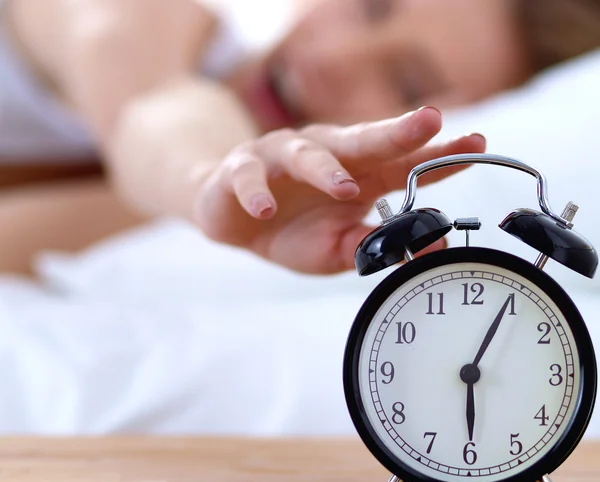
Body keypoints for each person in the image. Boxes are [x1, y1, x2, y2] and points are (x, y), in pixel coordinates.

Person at [1, 0, 599, 275]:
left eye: (407, 81)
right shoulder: (141, 16)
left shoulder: (227, 219)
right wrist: (207, 174)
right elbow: (156, 110)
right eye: (369, 8)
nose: (335, 58)